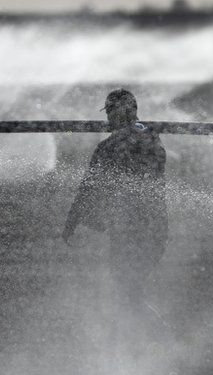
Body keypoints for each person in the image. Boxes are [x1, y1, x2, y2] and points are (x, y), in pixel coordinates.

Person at [62, 89, 168, 313]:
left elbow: (87, 189)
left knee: (128, 292)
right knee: (131, 291)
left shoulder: (108, 147)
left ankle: (147, 337)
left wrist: (72, 221)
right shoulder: (152, 136)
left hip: (130, 231)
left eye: (110, 111)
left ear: (124, 111)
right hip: (155, 230)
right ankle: (141, 337)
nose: (108, 117)